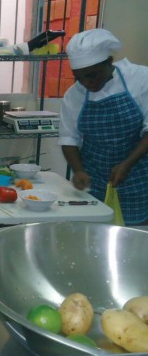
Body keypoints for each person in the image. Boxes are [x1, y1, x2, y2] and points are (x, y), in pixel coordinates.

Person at [58, 28, 148, 225]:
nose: (86, 83)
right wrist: (79, 170)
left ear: (108, 62)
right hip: (95, 181)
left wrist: (127, 164)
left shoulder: (140, 79)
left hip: (139, 179)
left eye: (92, 75)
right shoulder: (74, 95)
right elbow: (69, 138)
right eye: (79, 77)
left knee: (135, 242)